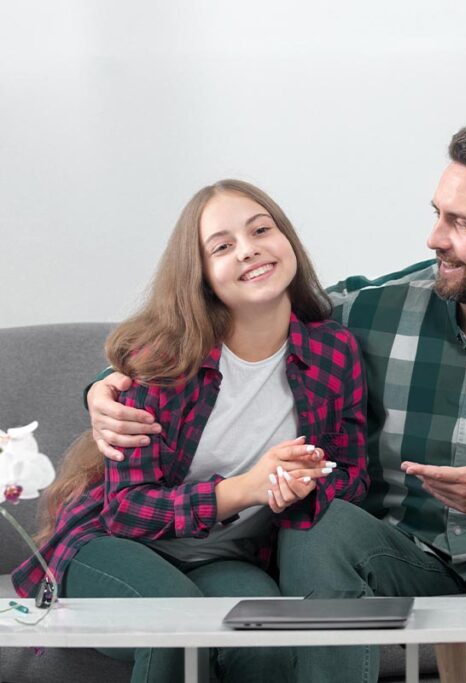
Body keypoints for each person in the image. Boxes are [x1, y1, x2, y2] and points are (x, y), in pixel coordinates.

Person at [87, 119, 466, 680]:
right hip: (405, 551)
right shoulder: (376, 308)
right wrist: (104, 384)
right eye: (438, 212)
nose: (434, 237)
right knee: (316, 523)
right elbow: (237, 313)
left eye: (460, 223)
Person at [15, 179, 369, 682]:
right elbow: (126, 511)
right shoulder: (164, 360)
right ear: (201, 274)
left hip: (225, 556)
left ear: (287, 239)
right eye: (222, 246)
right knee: (177, 626)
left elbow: (352, 472)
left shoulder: (334, 352)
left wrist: (304, 485)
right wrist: (244, 490)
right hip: (110, 546)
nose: (249, 250)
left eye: (261, 230)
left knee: (268, 639)